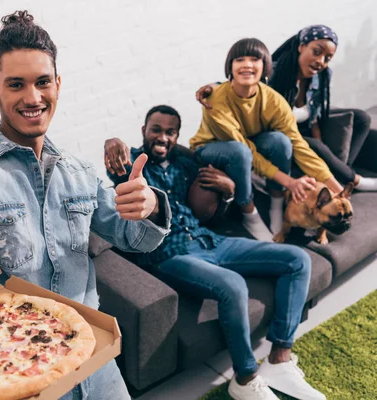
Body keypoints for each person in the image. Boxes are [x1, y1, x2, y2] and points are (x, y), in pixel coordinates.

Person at [0, 10, 172, 400]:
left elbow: (135, 240)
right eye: (16, 85)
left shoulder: (78, 172)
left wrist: (149, 206)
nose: (33, 98)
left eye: (42, 82)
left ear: (58, 84)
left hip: (95, 362)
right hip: (20, 375)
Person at [105, 104, 326, 400]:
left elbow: (209, 207)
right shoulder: (133, 162)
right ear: (143, 130)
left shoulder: (184, 166)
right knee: (233, 285)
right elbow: (118, 167)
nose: (162, 137)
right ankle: (245, 378)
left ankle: (279, 359)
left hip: (210, 240)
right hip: (169, 254)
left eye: (170, 132)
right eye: (155, 129)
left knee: (297, 260)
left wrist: (230, 190)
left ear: (177, 136)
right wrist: (111, 143)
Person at [189, 38, 342, 241]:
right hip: (209, 147)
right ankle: (249, 212)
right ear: (230, 66)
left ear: (265, 66)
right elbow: (245, 148)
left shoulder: (274, 100)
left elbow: (298, 144)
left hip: (246, 144)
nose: (247, 64)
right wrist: (290, 182)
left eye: (255, 59)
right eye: (239, 59)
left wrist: (338, 190)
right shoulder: (214, 99)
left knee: (281, 141)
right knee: (240, 151)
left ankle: (276, 205)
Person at [196, 25, 376, 192]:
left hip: (305, 122)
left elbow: (315, 117)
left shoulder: (322, 75)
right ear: (301, 47)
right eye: (316, 52)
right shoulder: (275, 73)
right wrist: (214, 86)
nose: (320, 61)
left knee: (361, 118)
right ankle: (354, 180)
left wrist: (323, 158)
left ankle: (343, 173)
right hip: (279, 131)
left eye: (327, 58)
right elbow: (245, 85)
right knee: (311, 145)